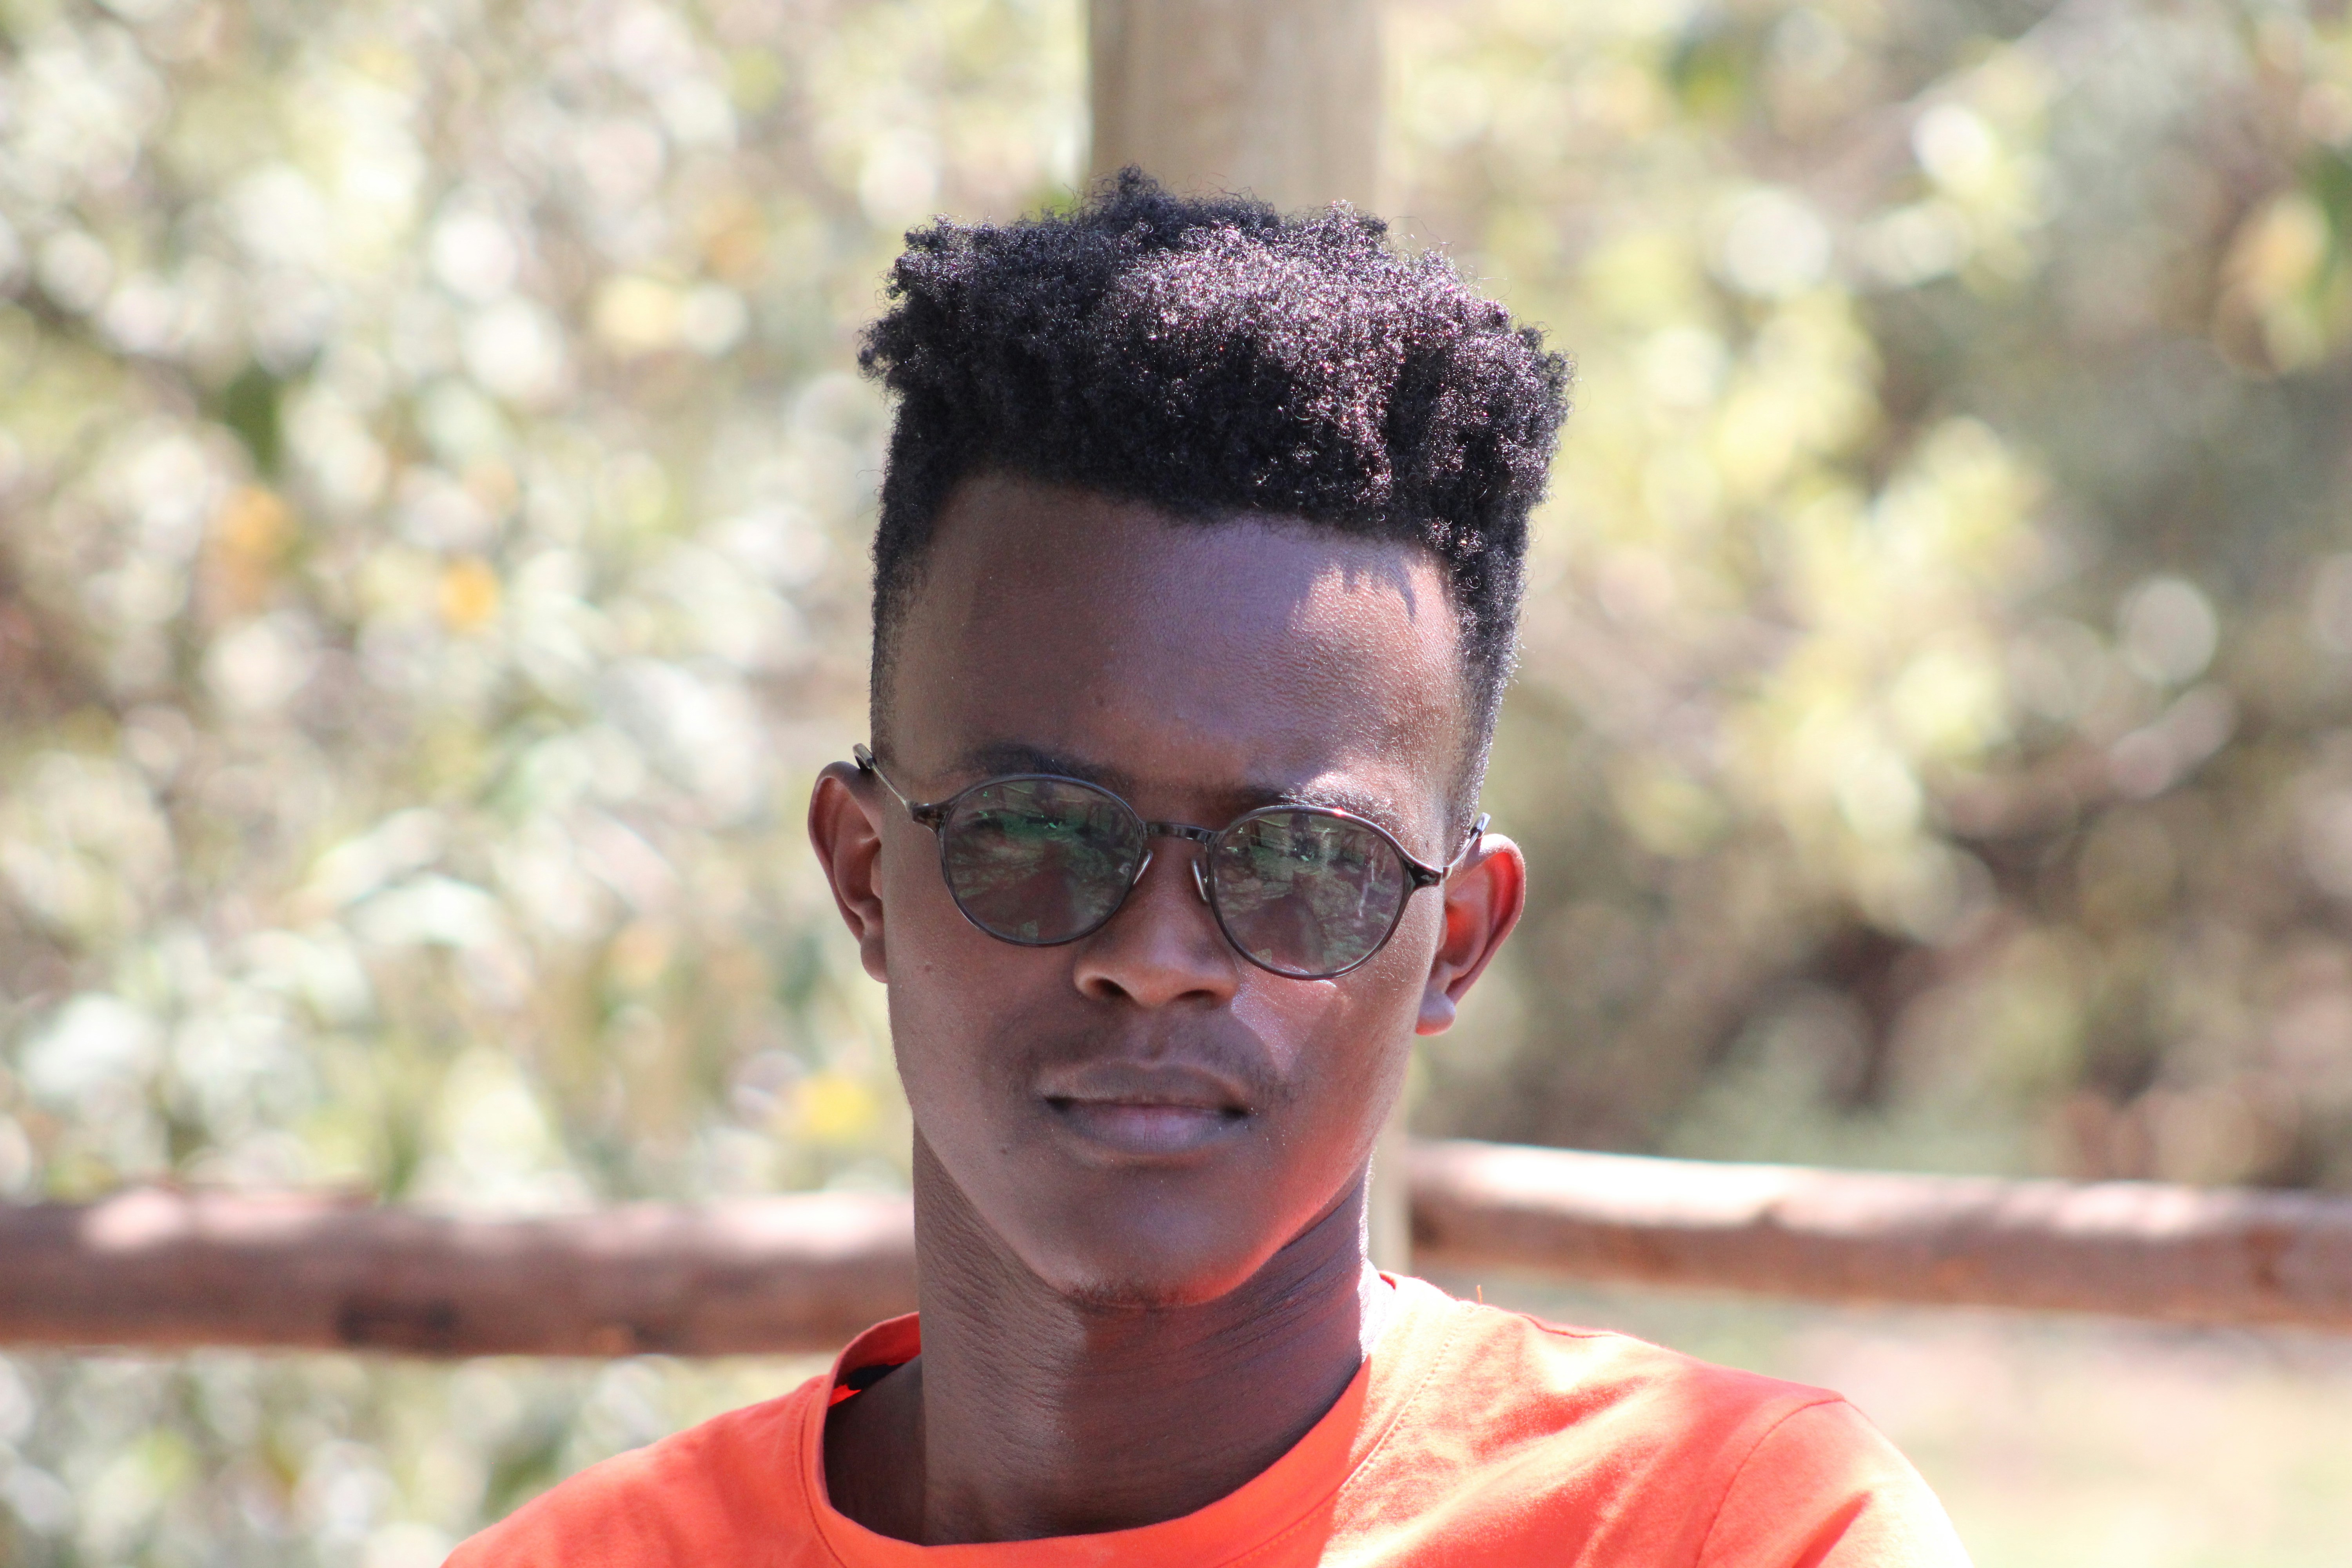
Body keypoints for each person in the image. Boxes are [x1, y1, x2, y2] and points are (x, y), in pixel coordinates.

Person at [448, 173, 1971, 1566]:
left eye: (1304, 859)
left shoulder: (1730, 1531)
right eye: (1040, 831)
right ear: (863, 875)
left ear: (1457, 938)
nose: (1159, 951)